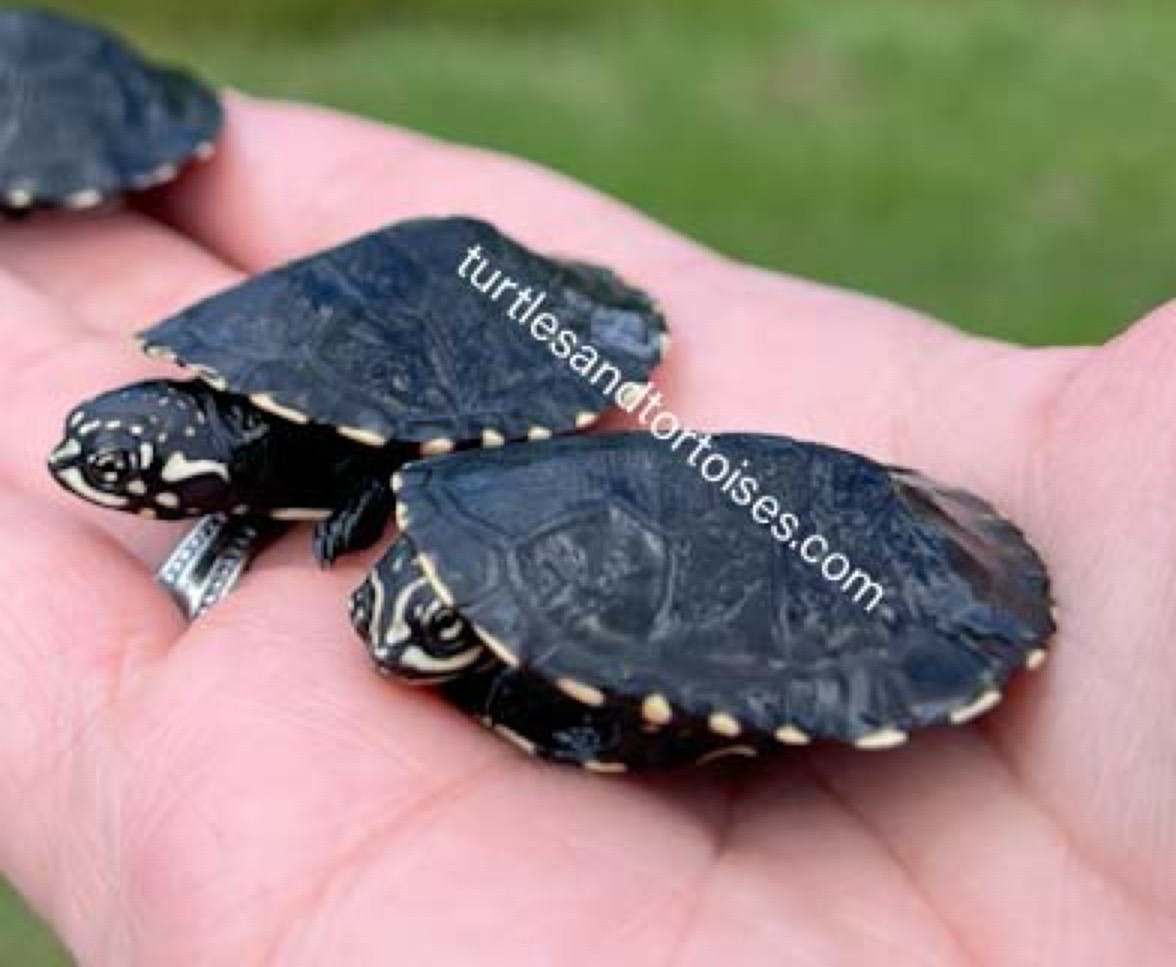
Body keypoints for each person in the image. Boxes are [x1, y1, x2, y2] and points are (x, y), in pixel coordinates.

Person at [0, 96, 1171, 964]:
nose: (90, 473)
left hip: (848, 549)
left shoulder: (480, 526)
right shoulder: (437, 525)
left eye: (122, 462)